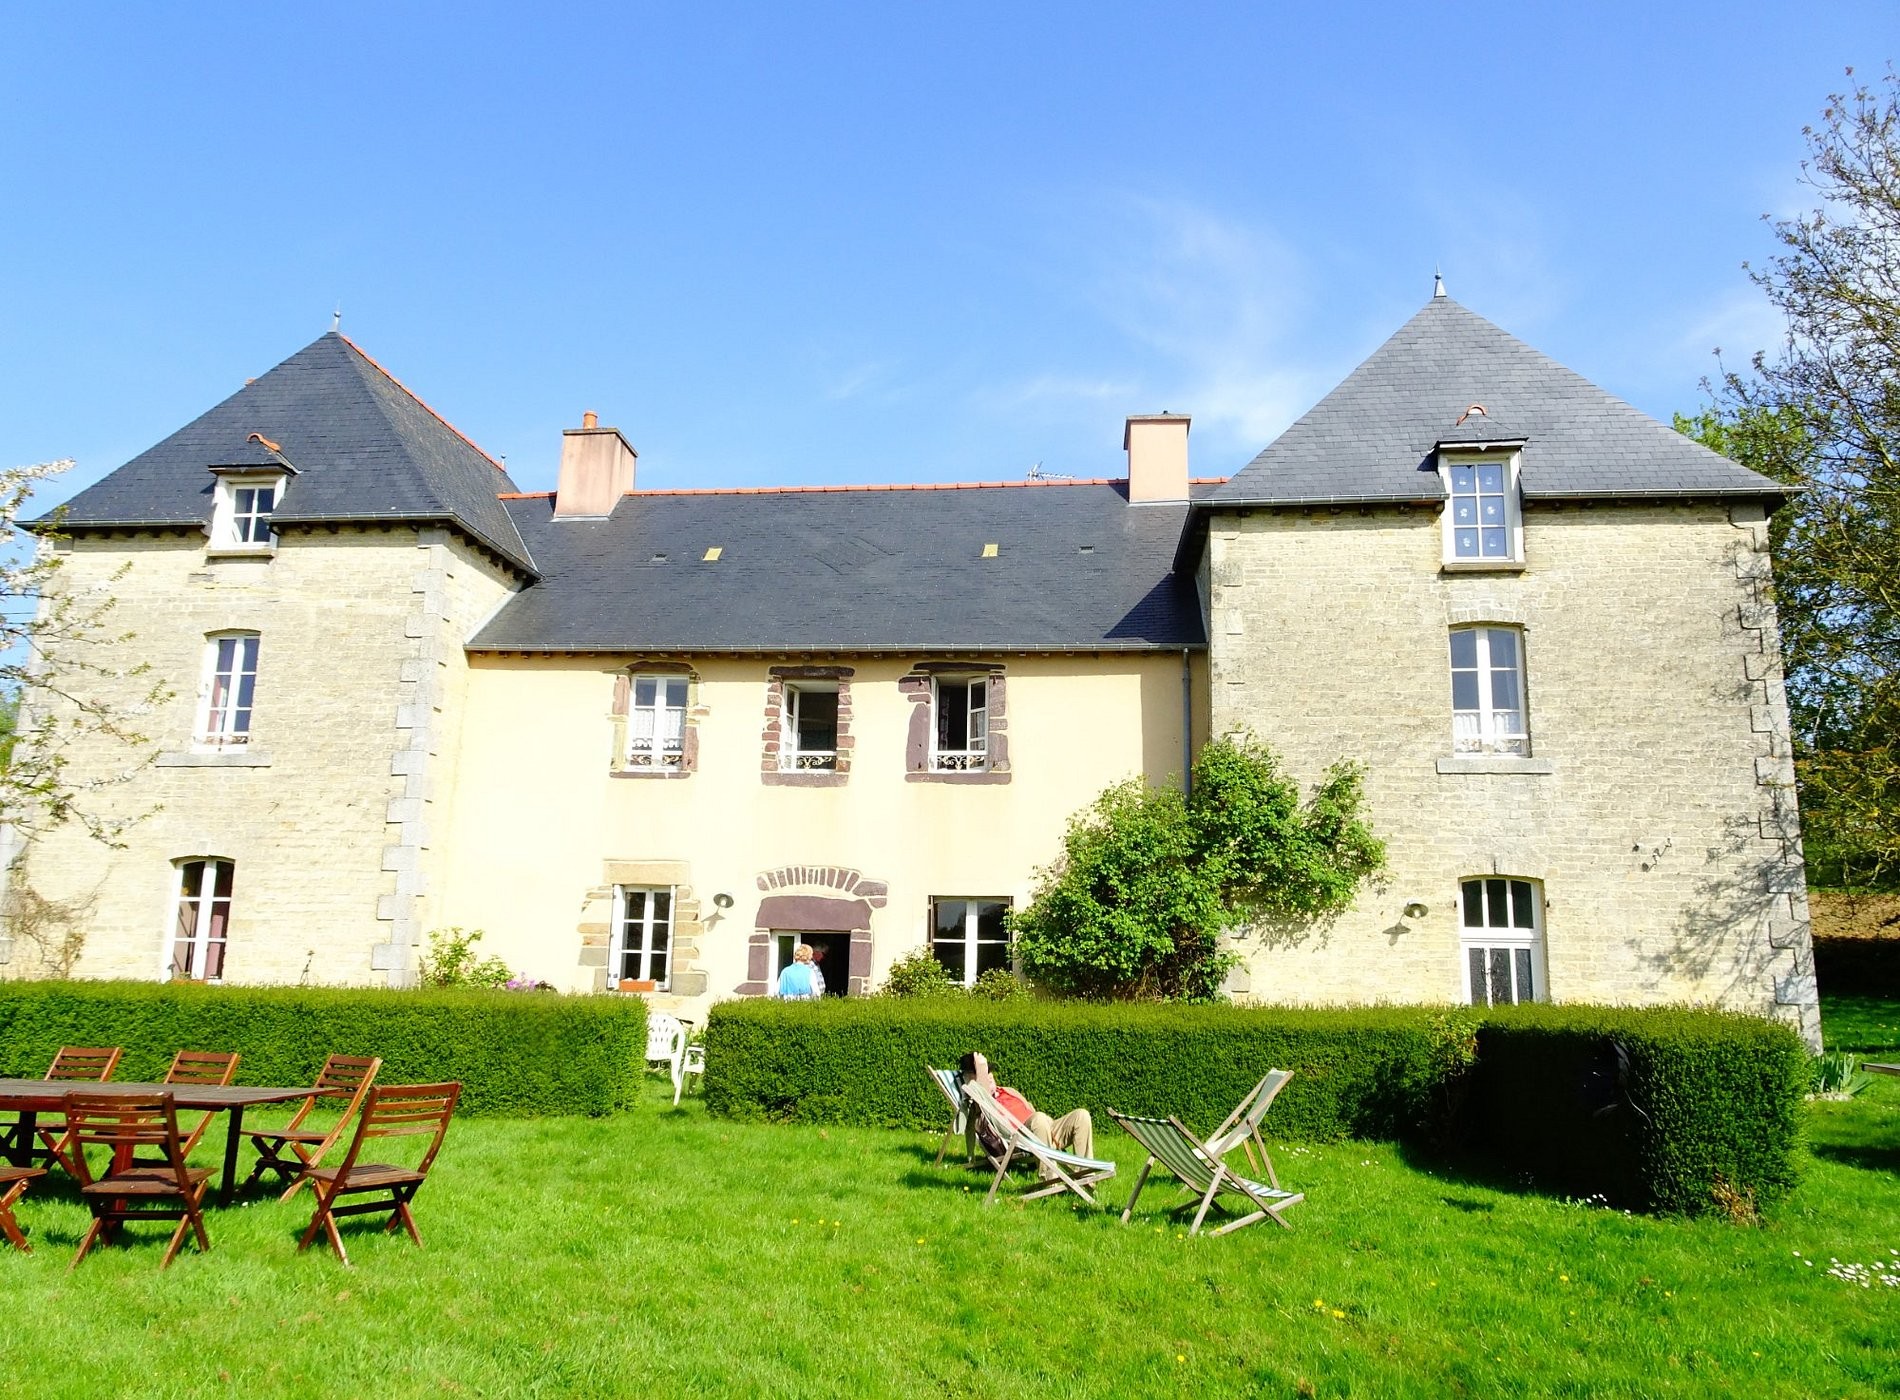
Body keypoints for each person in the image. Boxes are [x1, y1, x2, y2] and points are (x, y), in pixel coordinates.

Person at [955, 1051, 1093, 1177]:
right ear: (972, 1079)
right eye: (984, 1073)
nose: (989, 1075)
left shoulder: (1008, 1091)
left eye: (990, 1071)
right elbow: (982, 1096)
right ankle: (1049, 1178)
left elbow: (1031, 1111)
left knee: (1081, 1115)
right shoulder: (980, 1105)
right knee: (1038, 1119)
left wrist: (1048, 1125)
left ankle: (1086, 1175)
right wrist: (981, 1071)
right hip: (1019, 1140)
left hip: (1043, 1130)